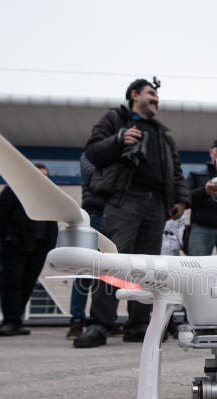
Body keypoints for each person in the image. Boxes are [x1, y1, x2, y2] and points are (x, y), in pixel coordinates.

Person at [73, 78, 190, 348]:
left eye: (158, 96)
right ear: (134, 94)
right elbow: (92, 151)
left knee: (146, 267)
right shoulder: (115, 118)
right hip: (124, 199)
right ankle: (100, 324)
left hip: (156, 205)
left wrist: (181, 199)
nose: (156, 99)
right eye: (151, 94)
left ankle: (138, 324)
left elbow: (177, 170)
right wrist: (118, 139)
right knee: (111, 260)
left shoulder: (164, 134)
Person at [0, 163, 58, 336]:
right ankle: (10, 321)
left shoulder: (50, 195)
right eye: (39, 175)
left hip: (40, 245)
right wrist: (7, 235)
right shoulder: (15, 189)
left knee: (28, 283)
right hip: (17, 244)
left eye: (46, 176)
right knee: (13, 281)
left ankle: (17, 320)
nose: (42, 179)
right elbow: (0, 210)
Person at [66, 153, 107, 339]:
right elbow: (94, 176)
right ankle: (77, 319)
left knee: (108, 272)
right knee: (84, 270)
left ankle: (106, 318)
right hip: (93, 216)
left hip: (115, 214)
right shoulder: (89, 154)